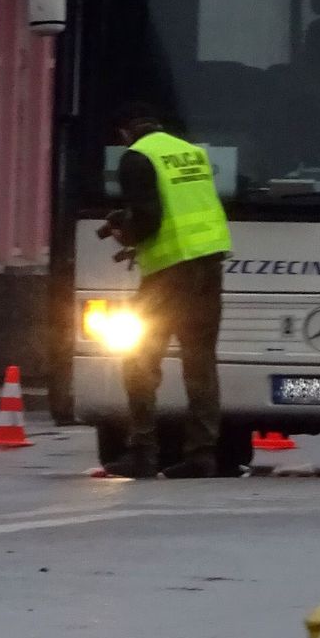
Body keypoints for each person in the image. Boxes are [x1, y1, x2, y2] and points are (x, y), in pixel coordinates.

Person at [102, 104, 233, 479]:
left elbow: (149, 217)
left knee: (139, 356)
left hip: (171, 273)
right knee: (200, 361)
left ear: (126, 132)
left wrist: (124, 233)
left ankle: (143, 451)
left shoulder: (137, 158)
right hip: (209, 265)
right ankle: (202, 454)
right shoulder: (190, 152)